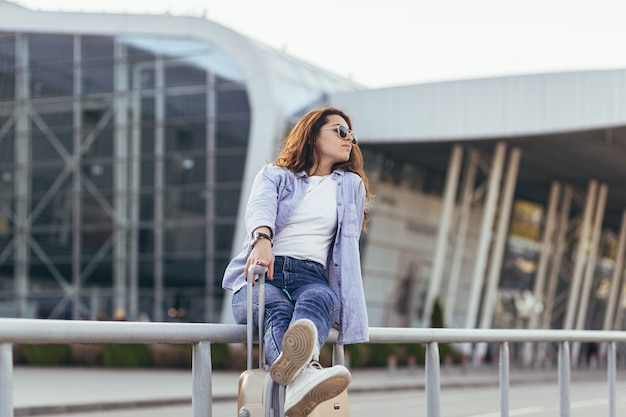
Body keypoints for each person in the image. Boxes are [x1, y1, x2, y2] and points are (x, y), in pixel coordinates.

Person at [222, 107, 371, 416]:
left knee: (321, 297)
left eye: (351, 135)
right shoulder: (275, 175)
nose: (349, 140)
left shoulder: (349, 186)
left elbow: (346, 248)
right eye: (340, 131)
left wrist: (346, 297)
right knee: (275, 307)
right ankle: (304, 378)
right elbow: (261, 207)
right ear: (313, 134)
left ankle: (297, 381)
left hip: (312, 276)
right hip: (264, 273)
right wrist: (262, 241)